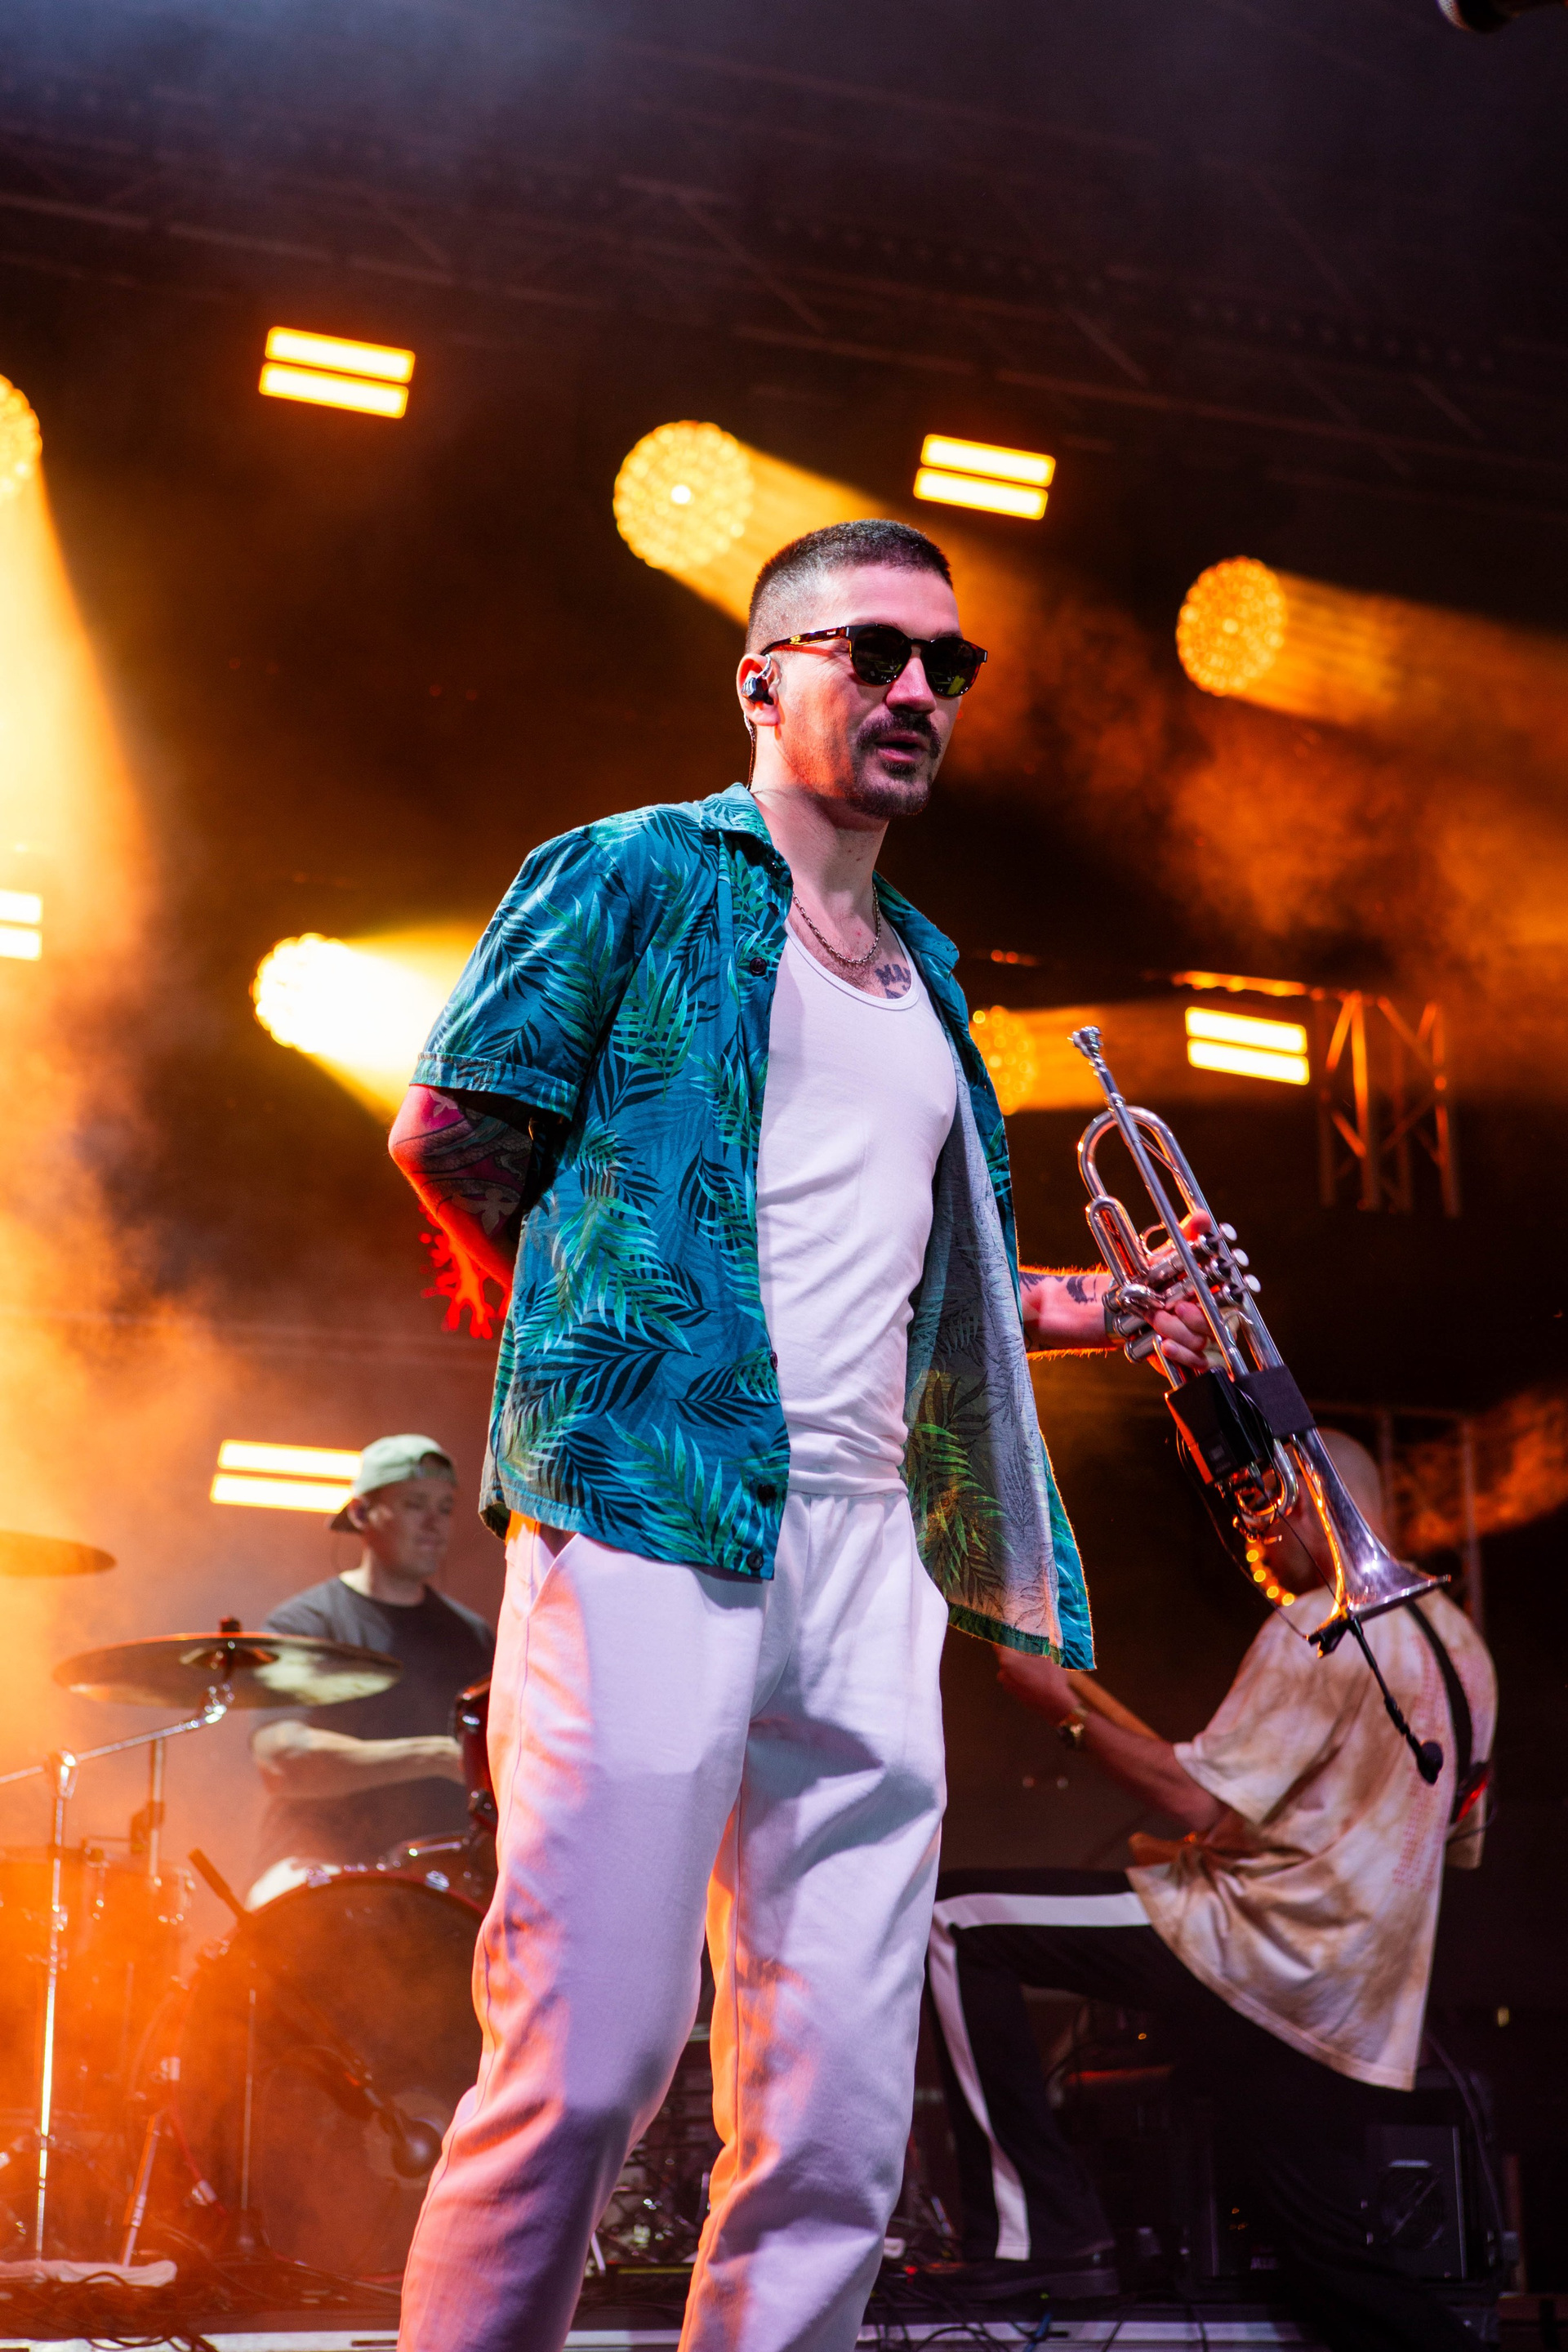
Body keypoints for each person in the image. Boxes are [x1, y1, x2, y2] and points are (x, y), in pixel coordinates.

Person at [385, 517, 1209, 2352]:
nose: (919, 690)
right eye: (875, 653)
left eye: (948, 665)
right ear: (763, 679)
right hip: (651, 1512)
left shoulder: (932, 975)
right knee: (590, 2062)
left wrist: (1093, 1304)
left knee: (838, 2117)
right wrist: (597, 1332)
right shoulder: (633, 869)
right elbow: (449, 1128)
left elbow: (911, 1278)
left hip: (871, 1550)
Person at [927, 1429, 1496, 2351]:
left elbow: (1197, 1796)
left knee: (955, 1920)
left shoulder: (1320, 1622)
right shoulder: (1464, 1650)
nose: (1251, 1533)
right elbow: (1452, 1841)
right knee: (1334, 2270)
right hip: (1352, 2002)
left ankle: (1042, 2235)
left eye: (1263, 1507)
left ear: (1312, 1501)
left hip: (1251, 1946)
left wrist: (1064, 1713)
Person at [247, 1433, 496, 1908]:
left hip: (444, 1883)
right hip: (318, 1869)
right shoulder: (305, 1624)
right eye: (414, 1504)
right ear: (361, 1514)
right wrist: (433, 1756)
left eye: (445, 1508)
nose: (435, 1524)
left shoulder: (473, 1636)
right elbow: (283, 1761)